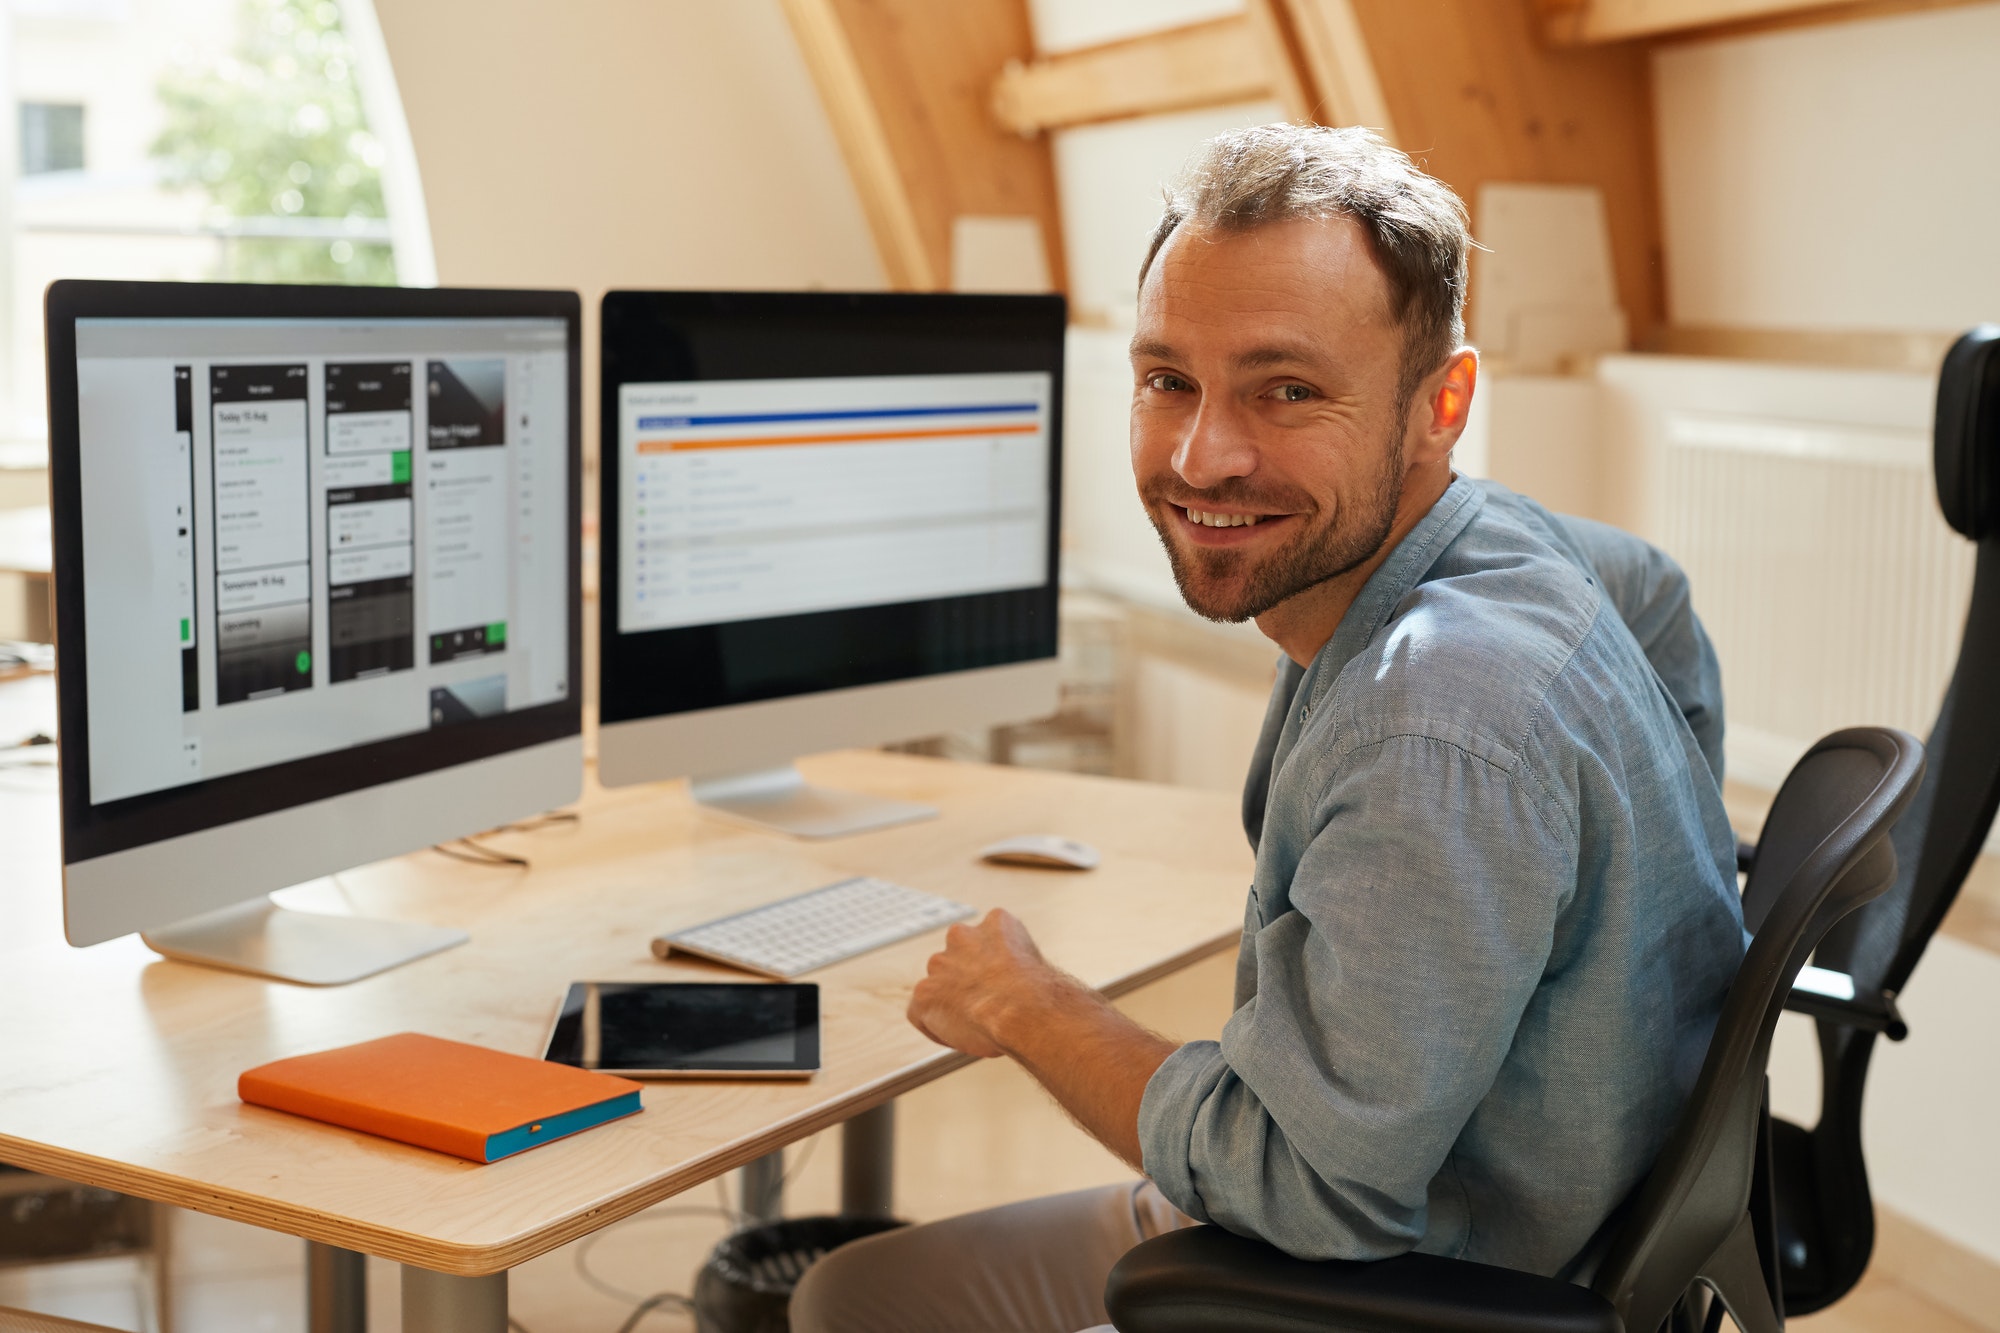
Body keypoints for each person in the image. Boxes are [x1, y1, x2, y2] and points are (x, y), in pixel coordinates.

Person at [790, 123, 1745, 1333]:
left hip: (1389, 1283)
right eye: (1166, 380)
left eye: (1285, 390)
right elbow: (1654, 585)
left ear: (1436, 404)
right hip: (1486, 1212)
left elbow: (1311, 1192)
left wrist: (1029, 1005)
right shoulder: (1499, 539)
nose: (1202, 454)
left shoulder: (1432, 725)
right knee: (854, 1285)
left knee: (849, 1309)